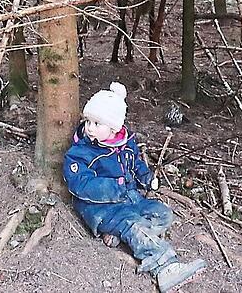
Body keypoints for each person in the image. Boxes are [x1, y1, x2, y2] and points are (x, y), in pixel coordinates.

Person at [63, 82, 206, 292]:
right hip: (103, 210)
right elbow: (80, 184)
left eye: (96, 123)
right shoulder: (80, 153)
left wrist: (146, 178)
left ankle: (122, 236)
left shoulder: (125, 143)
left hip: (131, 199)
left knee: (163, 213)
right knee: (135, 225)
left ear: (114, 128)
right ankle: (165, 268)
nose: (89, 128)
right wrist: (114, 187)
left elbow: (136, 163)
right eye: (88, 121)